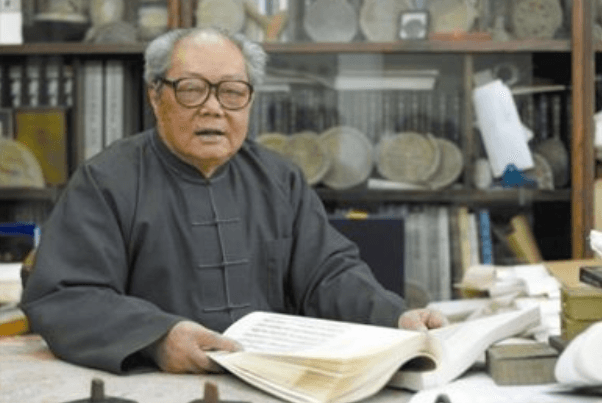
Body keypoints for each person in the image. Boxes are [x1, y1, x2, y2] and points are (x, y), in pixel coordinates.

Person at [20, 27, 446, 375]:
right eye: (191, 89)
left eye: (232, 91)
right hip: (157, 386)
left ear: (250, 100)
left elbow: (328, 275)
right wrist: (157, 338)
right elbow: (64, 295)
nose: (213, 108)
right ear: (155, 96)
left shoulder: (279, 178)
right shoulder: (106, 181)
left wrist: (395, 317)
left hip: (271, 381)